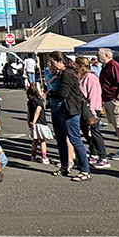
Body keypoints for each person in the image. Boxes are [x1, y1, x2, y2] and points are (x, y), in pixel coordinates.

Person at [46, 52, 91, 181]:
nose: (51, 65)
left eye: (53, 62)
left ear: (60, 62)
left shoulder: (68, 74)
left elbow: (63, 93)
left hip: (69, 111)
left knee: (75, 139)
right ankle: (65, 165)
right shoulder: (59, 74)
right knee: (60, 139)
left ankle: (85, 170)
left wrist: (50, 94)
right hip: (57, 110)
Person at [96, 48, 119, 160]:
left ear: (106, 55)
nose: (97, 56)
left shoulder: (114, 66)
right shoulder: (105, 67)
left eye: (99, 54)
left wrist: (118, 98)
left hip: (116, 100)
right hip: (108, 99)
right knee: (116, 125)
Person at [75, 56, 110, 169]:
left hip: (90, 108)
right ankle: (93, 153)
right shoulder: (81, 77)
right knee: (86, 132)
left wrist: (93, 111)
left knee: (94, 132)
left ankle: (103, 157)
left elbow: (94, 95)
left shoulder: (91, 77)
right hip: (82, 107)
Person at [26, 82, 50, 164]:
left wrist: (29, 121)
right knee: (42, 140)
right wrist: (34, 121)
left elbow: (29, 112)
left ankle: (33, 155)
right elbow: (37, 112)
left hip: (34, 124)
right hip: (41, 123)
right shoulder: (39, 102)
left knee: (35, 140)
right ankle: (44, 157)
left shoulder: (30, 102)